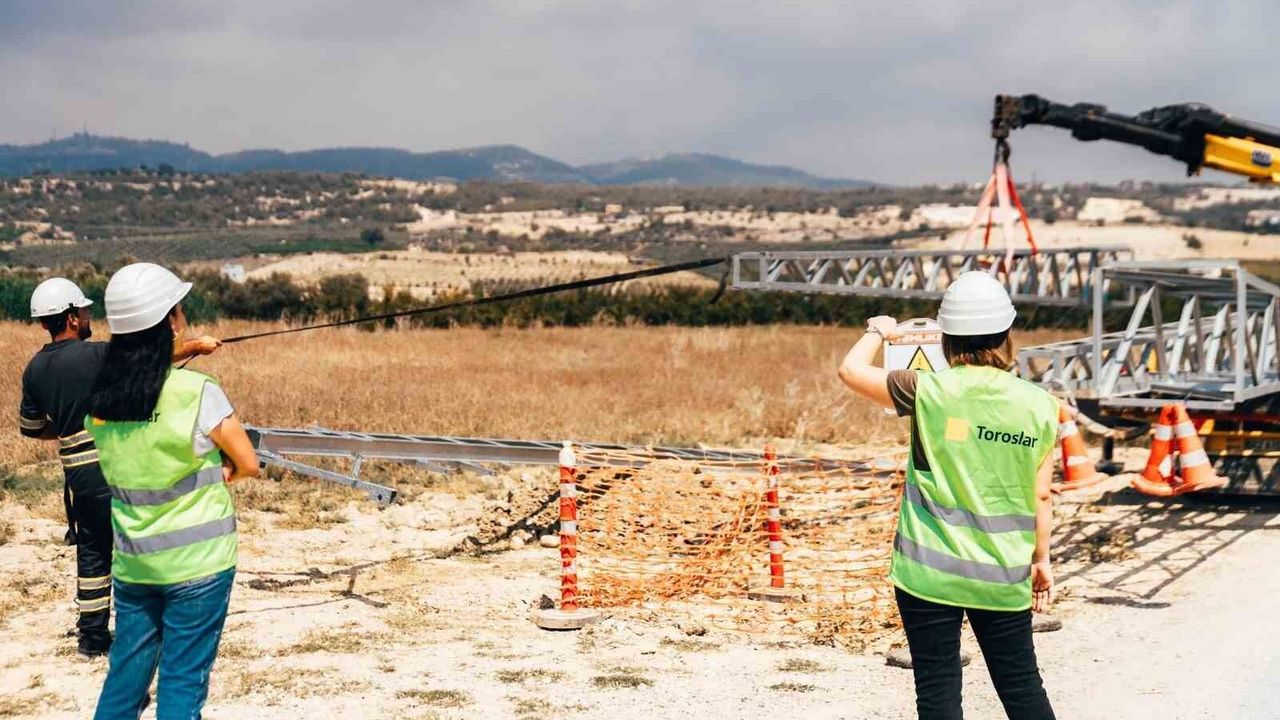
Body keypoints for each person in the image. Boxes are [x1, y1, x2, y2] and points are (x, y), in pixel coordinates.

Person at [838, 271, 1057, 720]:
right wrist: (1041, 560)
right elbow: (1042, 497)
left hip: (927, 572)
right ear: (1007, 335)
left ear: (946, 339)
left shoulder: (925, 390)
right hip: (1001, 572)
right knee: (1021, 685)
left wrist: (878, 330)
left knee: (937, 688)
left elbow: (850, 371)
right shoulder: (1040, 404)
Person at [85, 263, 258, 720]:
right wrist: (226, 472)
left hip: (135, 563)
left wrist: (190, 348)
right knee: (182, 684)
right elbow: (248, 463)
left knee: (124, 682)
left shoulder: (101, 400)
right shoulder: (197, 391)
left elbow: (139, 374)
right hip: (199, 563)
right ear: (171, 321)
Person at [19, 277, 221, 658]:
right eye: (84, 311)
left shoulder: (34, 370)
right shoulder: (95, 355)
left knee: (94, 549)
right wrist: (197, 345)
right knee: (144, 539)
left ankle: (92, 636)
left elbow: (31, 428)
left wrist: (69, 428)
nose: (88, 315)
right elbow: (147, 358)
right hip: (115, 465)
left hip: (78, 474)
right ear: (72, 318)